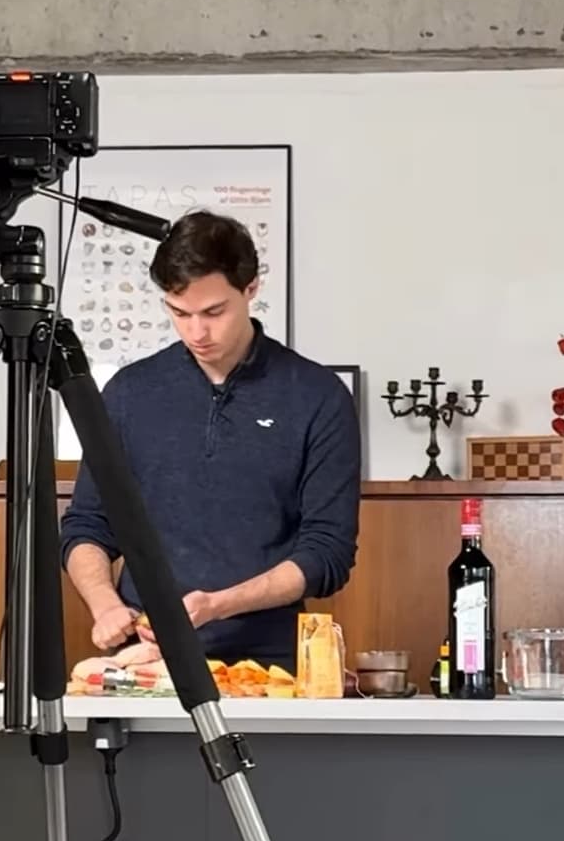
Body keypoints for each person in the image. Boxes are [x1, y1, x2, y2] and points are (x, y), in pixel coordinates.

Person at [60, 208, 360, 672]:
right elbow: (87, 525)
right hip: (145, 662)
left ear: (251, 288)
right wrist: (105, 606)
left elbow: (327, 554)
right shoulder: (128, 393)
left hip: (270, 668)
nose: (196, 332)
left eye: (214, 312)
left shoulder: (317, 396)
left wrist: (218, 605)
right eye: (179, 313)